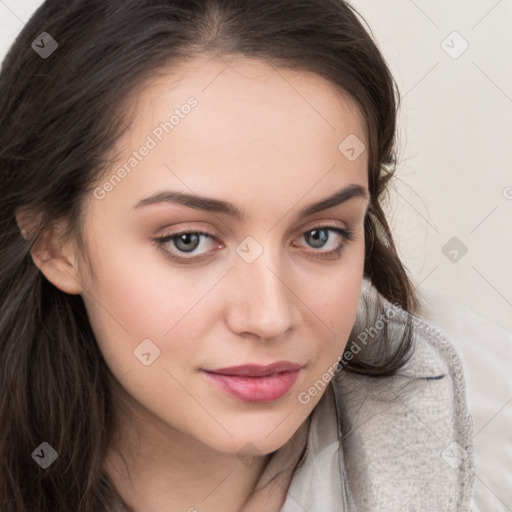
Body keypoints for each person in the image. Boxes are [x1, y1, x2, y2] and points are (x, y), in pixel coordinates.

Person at [0, 0, 474, 510]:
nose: (269, 317)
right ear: (54, 242)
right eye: (190, 240)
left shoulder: (488, 446)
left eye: (320, 236)